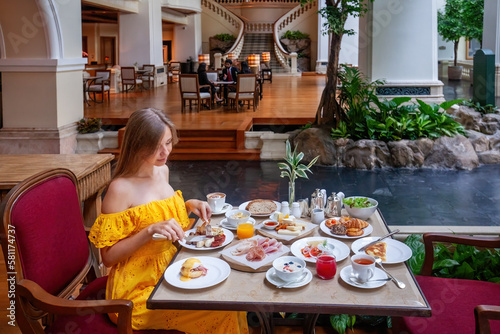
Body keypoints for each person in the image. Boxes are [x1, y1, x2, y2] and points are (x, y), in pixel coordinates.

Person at [88, 108, 248, 334]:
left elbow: (163, 219)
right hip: (136, 291)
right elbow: (108, 257)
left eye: (169, 142)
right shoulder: (120, 189)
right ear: (137, 145)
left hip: (172, 271)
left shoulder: (162, 171)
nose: (165, 152)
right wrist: (148, 232)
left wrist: (189, 204)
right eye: (156, 146)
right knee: (220, 309)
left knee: (229, 299)